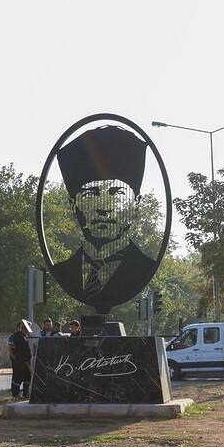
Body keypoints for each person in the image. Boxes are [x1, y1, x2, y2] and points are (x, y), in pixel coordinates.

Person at [50, 125, 158, 310]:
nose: (104, 208)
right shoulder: (64, 271)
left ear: (136, 204)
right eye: (91, 193)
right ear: (73, 205)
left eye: (117, 193)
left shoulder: (143, 268)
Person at [10, 321, 32, 399]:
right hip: (21, 361)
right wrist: (24, 361)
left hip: (24, 361)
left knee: (27, 377)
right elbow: (22, 351)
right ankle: (15, 394)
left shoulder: (23, 337)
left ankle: (25, 393)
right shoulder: (18, 337)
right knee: (19, 377)